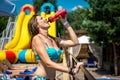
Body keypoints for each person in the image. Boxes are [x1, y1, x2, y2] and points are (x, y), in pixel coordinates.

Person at [28, 13, 83, 80]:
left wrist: (65, 22)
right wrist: (71, 70)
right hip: (40, 78)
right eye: (41, 18)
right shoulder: (37, 38)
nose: (45, 19)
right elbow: (48, 63)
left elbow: (75, 42)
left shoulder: (53, 39)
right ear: (36, 25)